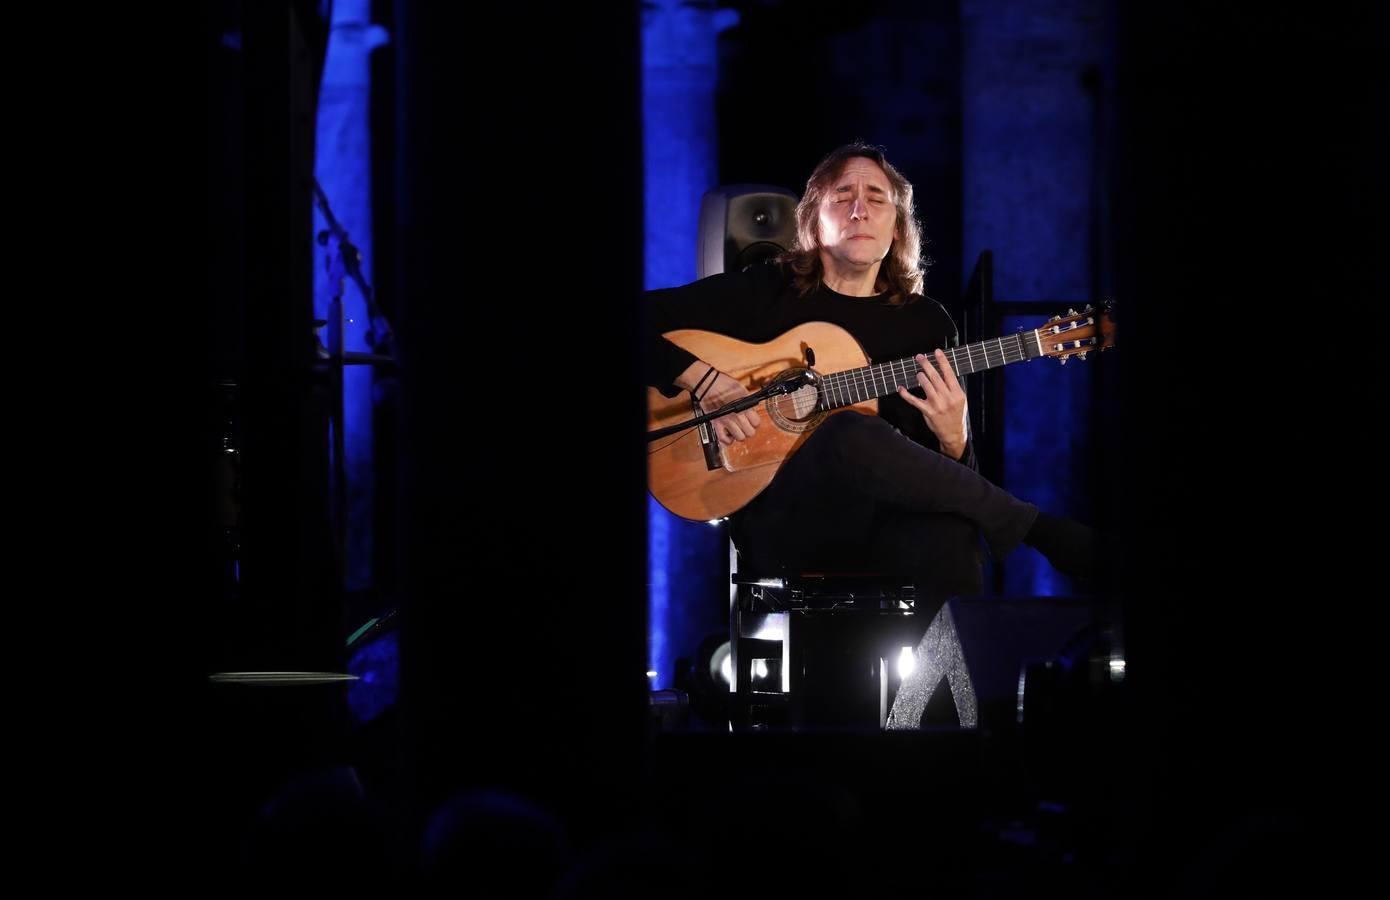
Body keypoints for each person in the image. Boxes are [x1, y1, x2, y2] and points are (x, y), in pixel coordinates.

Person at [645, 142, 1097, 599]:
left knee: (950, 538)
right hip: (783, 523)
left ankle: (951, 673)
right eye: (842, 197)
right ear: (813, 222)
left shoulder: (926, 324)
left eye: (877, 200)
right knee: (849, 431)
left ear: (897, 227)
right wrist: (705, 380)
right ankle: (1040, 530)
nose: (859, 210)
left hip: (878, 528)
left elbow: (946, 483)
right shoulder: (766, 291)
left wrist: (954, 440)